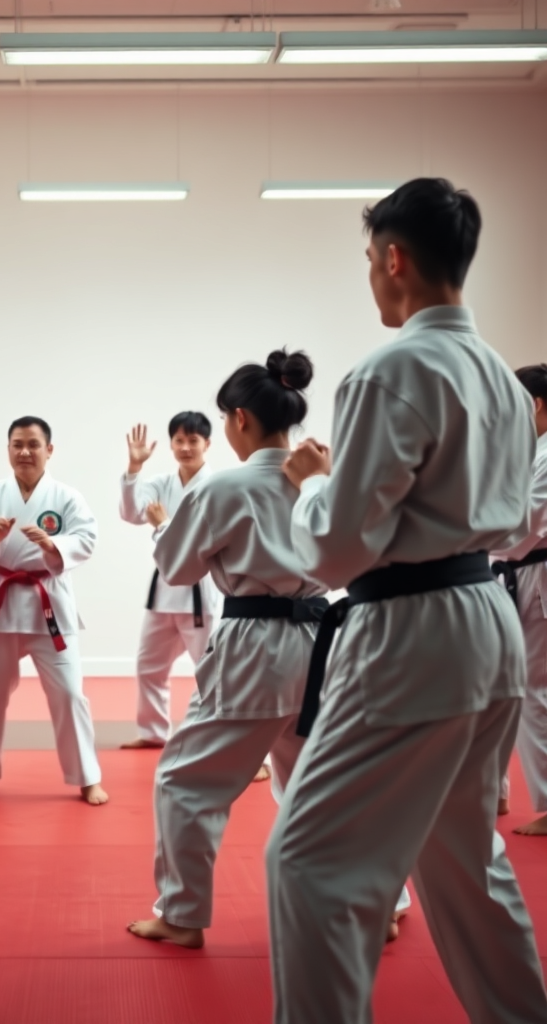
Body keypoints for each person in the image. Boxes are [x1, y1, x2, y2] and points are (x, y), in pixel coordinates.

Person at [268, 178, 547, 1023]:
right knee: (463, 856)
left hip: (410, 633)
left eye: (367, 261)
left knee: (309, 861)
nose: (369, 276)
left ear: (394, 259)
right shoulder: (499, 374)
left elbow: (341, 547)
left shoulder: (391, 369)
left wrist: (309, 487)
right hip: (485, 617)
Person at [126, 351, 327, 949]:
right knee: (322, 779)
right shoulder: (323, 479)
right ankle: (387, 900)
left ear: (239, 419)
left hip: (255, 648)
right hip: (323, 644)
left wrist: (169, 529)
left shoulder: (225, 487)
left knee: (185, 782)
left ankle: (184, 914)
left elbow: (177, 566)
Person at [0, 416, 107, 805]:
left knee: (70, 694)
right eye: (17, 444)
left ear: (49, 450)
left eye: (33, 444)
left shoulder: (67, 497)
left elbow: (87, 537)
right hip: (0, 605)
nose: (25, 452)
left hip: (48, 602)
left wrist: (53, 547)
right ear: (8, 450)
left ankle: (87, 776)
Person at [118, 414, 221, 749]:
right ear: (171, 444)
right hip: (163, 594)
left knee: (212, 671)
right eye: (179, 440)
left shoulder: (217, 487)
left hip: (200, 595)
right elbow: (132, 513)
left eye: (193, 440)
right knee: (149, 665)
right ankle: (152, 732)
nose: (186, 447)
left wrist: (164, 524)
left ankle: (219, 739)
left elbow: (205, 539)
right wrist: (134, 470)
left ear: (208, 444)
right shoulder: (161, 483)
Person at [492, 363, 547, 836]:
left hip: (532, 576)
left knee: (534, 693)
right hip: (510, 576)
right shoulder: (528, 451)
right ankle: (495, 791)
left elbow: (522, 529)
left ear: (533, 404)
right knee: (498, 689)